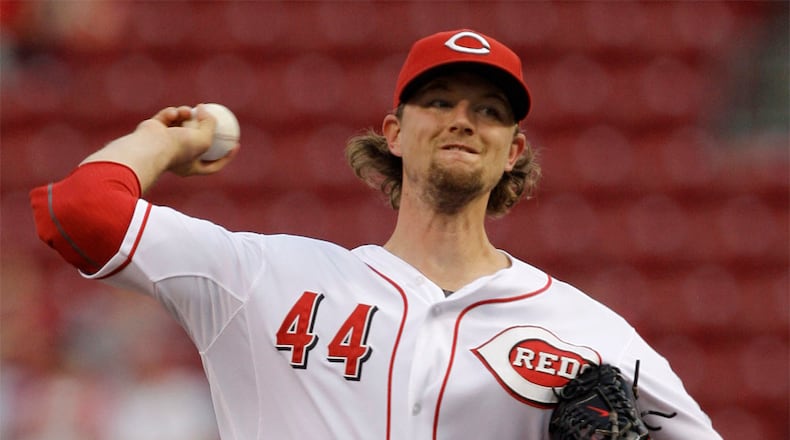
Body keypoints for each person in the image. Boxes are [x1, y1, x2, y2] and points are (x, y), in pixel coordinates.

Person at [30, 29, 722, 439]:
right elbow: (81, 213)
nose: (463, 119)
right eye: (438, 101)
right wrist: (160, 141)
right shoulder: (264, 278)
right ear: (393, 133)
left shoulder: (586, 331)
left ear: (514, 150)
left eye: (489, 110)